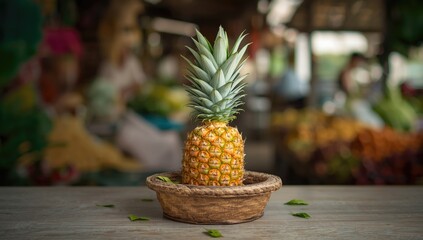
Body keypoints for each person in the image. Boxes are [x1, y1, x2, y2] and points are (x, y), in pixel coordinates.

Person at [88, 0, 182, 171]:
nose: (126, 47)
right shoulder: (107, 67)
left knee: (168, 139)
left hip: (129, 117)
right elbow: (107, 99)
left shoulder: (131, 62)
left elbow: (140, 83)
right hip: (116, 122)